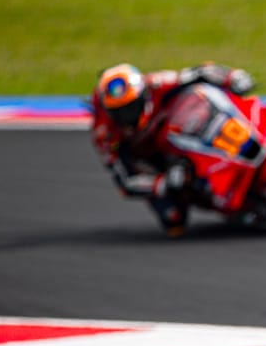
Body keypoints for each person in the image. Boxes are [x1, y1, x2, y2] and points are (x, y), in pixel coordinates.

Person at [89, 62, 256, 236]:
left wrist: (232, 77)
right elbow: (125, 182)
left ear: (143, 94)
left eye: (131, 107)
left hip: (177, 132)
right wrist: (163, 183)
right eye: (119, 112)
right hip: (151, 160)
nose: (126, 116)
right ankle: (226, 205)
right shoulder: (104, 134)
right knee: (173, 220)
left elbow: (198, 73)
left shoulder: (156, 83)